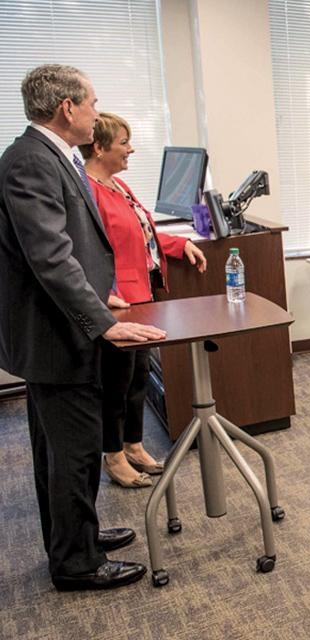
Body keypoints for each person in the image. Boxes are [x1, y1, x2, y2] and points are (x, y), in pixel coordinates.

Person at [0, 65, 167, 590]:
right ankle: (77, 563)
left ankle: (78, 539)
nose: (97, 111)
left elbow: (70, 244)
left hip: (60, 328)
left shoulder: (51, 157)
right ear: (67, 108)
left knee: (60, 451)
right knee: (71, 453)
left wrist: (102, 293)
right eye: (92, 102)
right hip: (56, 336)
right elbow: (48, 255)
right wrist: (102, 322)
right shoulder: (30, 162)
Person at [79, 113, 207, 488]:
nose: (130, 148)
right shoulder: (87, 191)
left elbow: (143, 232)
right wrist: (101, 294)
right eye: (124, 142)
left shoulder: (117, 185)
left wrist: (180, 244)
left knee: (136, 378)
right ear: (100, 148)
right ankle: (113, 456)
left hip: (142, 295)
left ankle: (133, 445)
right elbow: (86, 250)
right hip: (117, 303)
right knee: (115, 383)